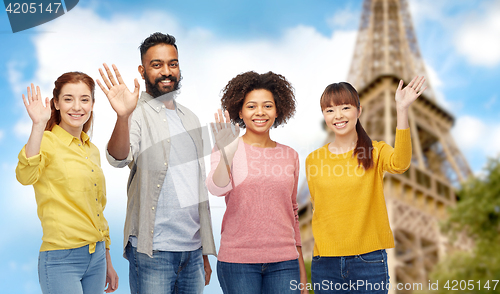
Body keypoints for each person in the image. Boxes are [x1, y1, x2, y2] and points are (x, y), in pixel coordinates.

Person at [97, 32, 216, 294]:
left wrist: (204, 251)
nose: (166, 71)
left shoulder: (191, 119)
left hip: (193, 253)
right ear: (142, 70)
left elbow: (195, 189)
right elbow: (118, 158)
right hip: (153, 251)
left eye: (172, 63)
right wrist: (123, 117)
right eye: (157, 64)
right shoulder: (136, 113)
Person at [305, 76, 427, 293]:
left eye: (345, 107)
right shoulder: (313, 160)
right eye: (330, 110)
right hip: (325, 263)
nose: (338, 116)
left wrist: (402, 110)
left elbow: (400, 163)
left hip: (368, 261)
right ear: (324, 116)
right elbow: (319, 208)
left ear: (359, 111)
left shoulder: (375, 151)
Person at [15, 72, 119, 294]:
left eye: (84, 99)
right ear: (56, 103)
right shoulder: (46, 141)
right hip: (61, 258)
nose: (77, 106)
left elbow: (98, 209)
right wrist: (38, 125)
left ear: (92, 104)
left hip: (97, 256)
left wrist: (107, 260)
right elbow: (25, 176)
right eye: (68, 98)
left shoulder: (92, 150)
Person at [207, 71, 308, 294]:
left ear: (278, 110)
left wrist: (300, 265)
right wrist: (226, 153)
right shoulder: (227, 147)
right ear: (240, 112)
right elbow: (216, 188)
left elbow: (293, 211)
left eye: (267, 106)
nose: (260, 112)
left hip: (285, 262)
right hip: (238, 261)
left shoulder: (290, 155)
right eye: (251, 106)